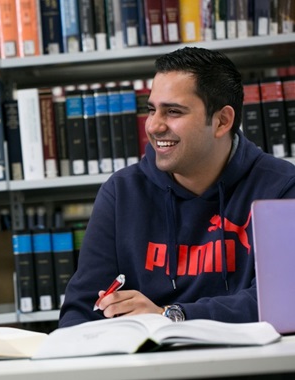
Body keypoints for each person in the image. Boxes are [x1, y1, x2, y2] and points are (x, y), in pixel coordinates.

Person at [59, 47, 295, 327]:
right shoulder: (121, 192)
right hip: (152, 367)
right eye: (151, 110)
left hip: (253, 366)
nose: (154, 126)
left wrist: (169, 315)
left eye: (172, 111)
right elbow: (79, 312)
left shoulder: (281, 188)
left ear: (222, 121)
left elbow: (285, 302)